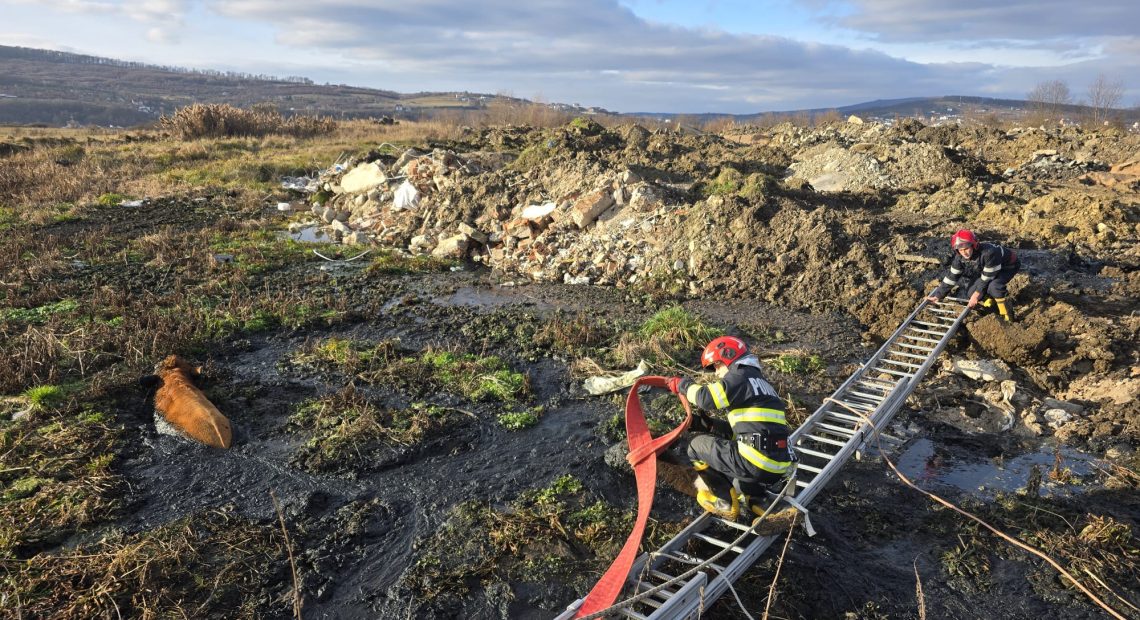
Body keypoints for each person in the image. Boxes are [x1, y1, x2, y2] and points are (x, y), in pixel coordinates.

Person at [661, 336, 796, 521]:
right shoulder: (763, 384)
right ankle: (763, 504)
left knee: (694, 445)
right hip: (778, 465)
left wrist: (682, 385)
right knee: (744, 467)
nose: (716, 373)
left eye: (717, 366)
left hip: (756, 462)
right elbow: (747, 431)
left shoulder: (739, 375)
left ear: (728, 356)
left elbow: (705, 398)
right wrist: (711, 425)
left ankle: (724, 502)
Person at [926, 229, 1020, 322]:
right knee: (971, 292)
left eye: (966, 248)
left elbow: (987, 279)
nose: (964, 252)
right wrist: (938, 295)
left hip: (1007, 266)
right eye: (961, 250)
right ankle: (991, 300)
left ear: (973, 245)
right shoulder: (959, 258)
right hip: (987, 268)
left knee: (994, 287)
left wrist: (976, 295)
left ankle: (1007, 315)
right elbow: (952, 277)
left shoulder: (988, 253)